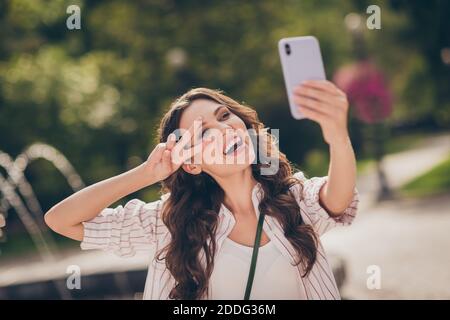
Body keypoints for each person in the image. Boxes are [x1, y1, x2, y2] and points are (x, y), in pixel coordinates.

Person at [45, 81, 359, 300]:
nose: (225, 129)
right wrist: (146, 174)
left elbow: (337, 198)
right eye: (205, 132)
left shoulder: (295, 198)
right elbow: (61, 221)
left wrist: (337, 135)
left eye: (225, 116)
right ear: (191, 163)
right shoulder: (170, 222)